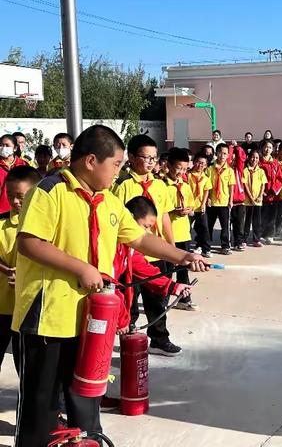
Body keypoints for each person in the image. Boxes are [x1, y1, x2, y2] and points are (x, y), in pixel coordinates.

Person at [11, 125, 207, 446]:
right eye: (116, 164)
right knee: (41, 404)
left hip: (90, 318)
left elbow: (141, 237)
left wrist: (183, 255)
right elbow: (30, 243)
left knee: (86, 392)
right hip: (47, 317)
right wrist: (82, 268)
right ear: (91, 160)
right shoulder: (49, 191)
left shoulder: (108, 201)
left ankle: (87, 440)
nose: (119, 171)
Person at [113, 196, 192, 354]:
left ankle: (158, 340)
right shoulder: (112, 244)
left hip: (151, 259)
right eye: (145, 226)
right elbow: (109, 285)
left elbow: (141, 268)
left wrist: (173, 286)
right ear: (128, 220)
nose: (147, 233)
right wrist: (122, 319)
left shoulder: (129, 249)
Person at [0, 166, 41, 374]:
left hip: (29, 308)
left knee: (27, 366)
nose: (15, 202)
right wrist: (6, 270)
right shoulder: (1, 225)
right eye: (10, 196)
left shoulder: (45, 226)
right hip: (3, 305)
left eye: (20, 196)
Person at [113, 134, 175, 245]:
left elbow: (164, 216)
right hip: (135, 247)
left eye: (154, 158)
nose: (151, 162)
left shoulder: (159, 184)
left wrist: (171, 244)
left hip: (158, 247)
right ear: (131, 157)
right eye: (147, 158)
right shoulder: (123, 185)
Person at [163, 148, 198, 311]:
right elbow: (158, 211)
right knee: (167, 271)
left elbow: (193, 205)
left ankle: (185, 299)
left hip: (184, 233)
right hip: (168, 235)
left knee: (184, 269)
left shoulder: (185, 185)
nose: (181, 172)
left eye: (184, 169)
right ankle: (162, 301)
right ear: (168, 166)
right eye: (178, 168)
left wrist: (188, 210)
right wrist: (173, 211)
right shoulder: (161, 185)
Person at [207, 143, 235, 255]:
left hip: (224, 201)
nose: (222, 155)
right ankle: (207, 246)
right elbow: (207, 185)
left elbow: (231, 186)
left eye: (225, 153)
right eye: (220, 153)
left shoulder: (229, 171)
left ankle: (225, 245)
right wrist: (208, 198)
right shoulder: (210, 169)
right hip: (212, 202)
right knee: (209, 225)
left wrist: (231, 200)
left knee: (225, 226)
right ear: (216, 154)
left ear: (228, 155)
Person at [259, 139, 282, 245]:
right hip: (261, 195)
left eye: (270, 147)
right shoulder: (259, 162)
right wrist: (261, 191)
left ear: (273, 149)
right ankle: (260, 234)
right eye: (265, 147)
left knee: (272, 216)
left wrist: (274, 190)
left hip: (273, 195)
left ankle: (269, 235)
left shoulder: (275, 163)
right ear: (262, 148)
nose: (267, 149)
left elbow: (280, 178)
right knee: (261, 216)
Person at [188, 152, 213, 258]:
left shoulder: (205, 178)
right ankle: (185, 248)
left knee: (204, 228)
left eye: (203, 164)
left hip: (200, 207)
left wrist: (203, 204)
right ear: (194, 162)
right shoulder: (188, 175)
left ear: (206, 165)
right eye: (198, 162)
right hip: (189, 207)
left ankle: (206, 249)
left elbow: (206, 191)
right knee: (186, 229)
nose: (200, 165)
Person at [243, 150, 267, 247]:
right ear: (248, 157)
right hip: (247, 201)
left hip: (258, 201)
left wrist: (260, 195)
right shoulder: (245, 170)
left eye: (257, 158)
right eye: (253, 157)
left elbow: (263, 184)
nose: (254, 159)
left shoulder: (261, 171)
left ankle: (256, 239)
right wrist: (251, 198)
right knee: (247, 221)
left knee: (257, 221)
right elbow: (245, 185)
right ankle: (244, 239)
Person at [0, 134, 28, 213]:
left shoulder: (24, 164)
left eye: (7, 145)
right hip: (1, 211)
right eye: (1, 145)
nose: (3, 148)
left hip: (20, 210)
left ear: (15, 148)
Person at [228, 140, 247, 251]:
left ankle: (238, 242)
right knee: (228, 224)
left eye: (236, 160)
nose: (234, 161)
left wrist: (237, 147)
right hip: (229, 200)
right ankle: (228, 243)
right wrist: (230, 148)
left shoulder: (239, 170)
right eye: (232, 160)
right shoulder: (227, 170)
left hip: (240, 201)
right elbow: (227, 159)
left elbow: (242, 158)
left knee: (240, 224)